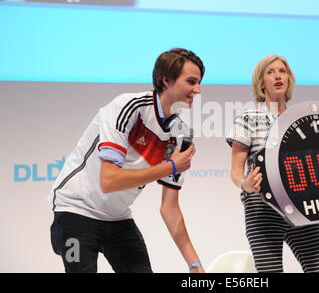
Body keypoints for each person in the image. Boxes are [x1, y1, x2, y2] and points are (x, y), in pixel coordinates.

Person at [48, 48, 205, 273]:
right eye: (191, 81)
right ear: (166, 80)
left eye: (199, 82)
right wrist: (169, 166)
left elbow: (169, 208)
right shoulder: (128, 106)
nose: (197, 90)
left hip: (118, 218)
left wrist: (195, 264)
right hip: (76, 211)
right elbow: (109, 180)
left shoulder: (182, 135)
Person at [226, 55, 319, 273]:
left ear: (289, 79)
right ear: (261, 82)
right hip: (262, 210)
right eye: (270, 72)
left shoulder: (304, 119)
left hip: (300, 207)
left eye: (282, 71)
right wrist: (245, 184)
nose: (277, 76)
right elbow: (236, 171)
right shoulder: (248, 118)